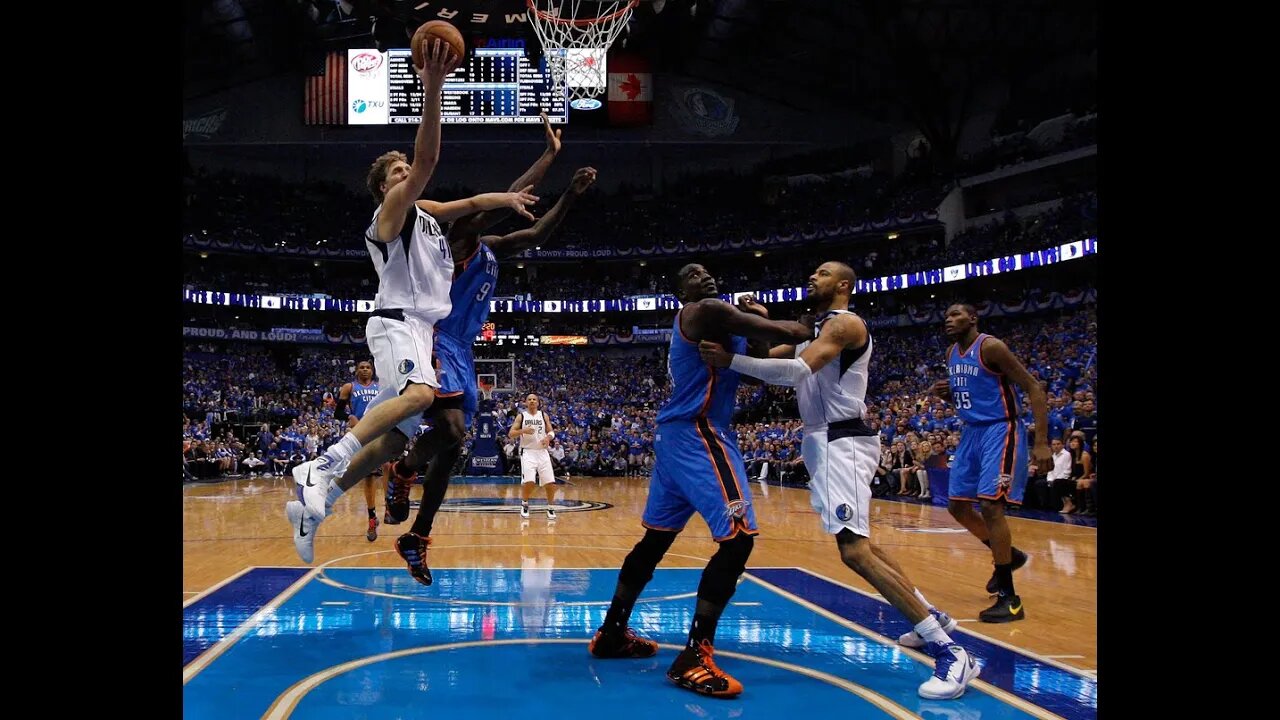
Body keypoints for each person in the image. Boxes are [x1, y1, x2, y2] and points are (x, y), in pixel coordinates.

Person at [285, 37, 539, 563]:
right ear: (384, 188)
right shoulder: (391, 216)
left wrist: (510, 198)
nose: (407, 175)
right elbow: (426, 159)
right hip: (396, 321)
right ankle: (324, 464)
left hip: (421, 332)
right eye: (397, 174)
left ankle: (317, 503)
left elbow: (469, 203)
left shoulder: (426, 215)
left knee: (399, 441)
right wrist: (433, 89)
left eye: (405, 171)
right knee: (423, 398)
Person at [699, 261, 979, 700]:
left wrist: (729, 359)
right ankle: (931, 619)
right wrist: (762, 327)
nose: (812, 277)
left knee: (854, 551)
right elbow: (768, 359)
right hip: (824, 439)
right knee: (866, 543)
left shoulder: (845, 324)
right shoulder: (817, 328)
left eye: (823, 273)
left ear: (843, 285)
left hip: (842, 439)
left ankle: (951, 653)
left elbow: (792, 373)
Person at [587, 263, 811, 699]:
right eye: (691, 272)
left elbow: (763, 359)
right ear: (679, 291)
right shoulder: (702, 311)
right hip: (700, 431)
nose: (704, 274)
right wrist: (811, 318)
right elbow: (795, 333)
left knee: (654, 541)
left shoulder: (723, 319)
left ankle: (613, 632)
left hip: (675, 435)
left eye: (708, 270)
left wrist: (762, 323)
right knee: (739, 538)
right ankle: (695, 654)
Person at [930, 304, 1051, 621]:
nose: (949, 319)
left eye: (956, 314)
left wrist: (1041, 442)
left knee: (991, 506)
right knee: (957, 506)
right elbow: (968, 398)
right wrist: (948, 396)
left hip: (1001, 428)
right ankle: (1009, 556)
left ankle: (1011, 599)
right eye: (946, 315)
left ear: (973, 318)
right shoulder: (951, 354)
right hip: (972, 431)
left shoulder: (991, 346)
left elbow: (1033, 387)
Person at [335, 360, 382, 541]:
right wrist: (350, 416)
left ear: (372, 370)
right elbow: (337, 413)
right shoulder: (349, 387)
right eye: (361, 367)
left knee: (386, 469)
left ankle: (387, 508)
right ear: (357, 370)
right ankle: (371, 518)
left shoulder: (381, 387)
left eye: (368, 367)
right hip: (361, 433)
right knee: (369, 477)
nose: (364, 369)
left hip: (379, 430)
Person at [510, 393, 558, 520]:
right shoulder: (521, 416)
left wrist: (548, 438)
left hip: (542, 452)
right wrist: (523, 431)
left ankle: (551, 507)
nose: (532, 401)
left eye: (534, 399)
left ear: (538, 402)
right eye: (529, 399)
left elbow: (551, 431)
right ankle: (525, 504)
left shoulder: (543, 415)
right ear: (525, 402)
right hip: (528, 452)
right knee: (529, 482)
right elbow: (511, 433)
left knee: (550, 483)